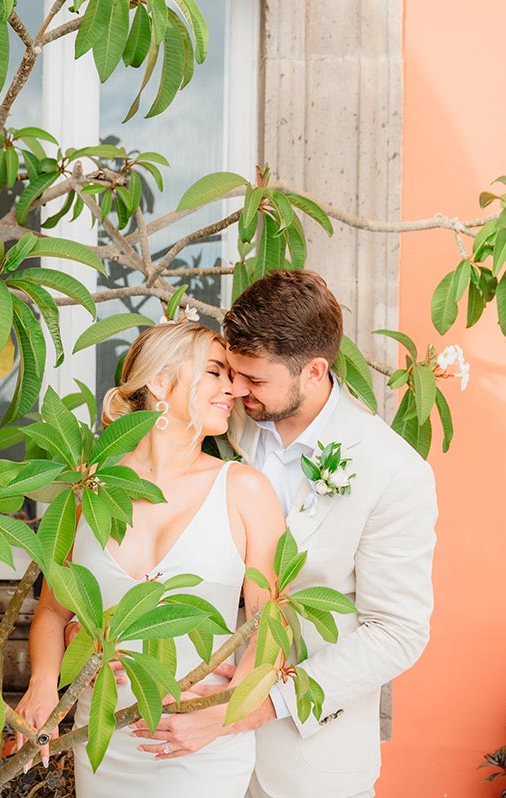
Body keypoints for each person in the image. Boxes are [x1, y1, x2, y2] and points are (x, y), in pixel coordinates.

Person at [135, 270, 438, 798]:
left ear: (314, 371)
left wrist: (260, 704)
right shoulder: (220, 421)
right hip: (184, 749)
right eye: (231, 372)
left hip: (307, 763)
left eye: (254, 380)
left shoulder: (393, 471)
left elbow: (397, 632)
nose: (235, 389)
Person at [15, 321, 286, 798]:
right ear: (161, 382)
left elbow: (272, 626)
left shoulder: (244, 489)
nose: (233, 388)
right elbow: (54, 613)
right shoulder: (90, 489)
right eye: (215, 372)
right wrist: (42, 687)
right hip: (102, 739)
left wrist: (221, 717)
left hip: (201, 746)